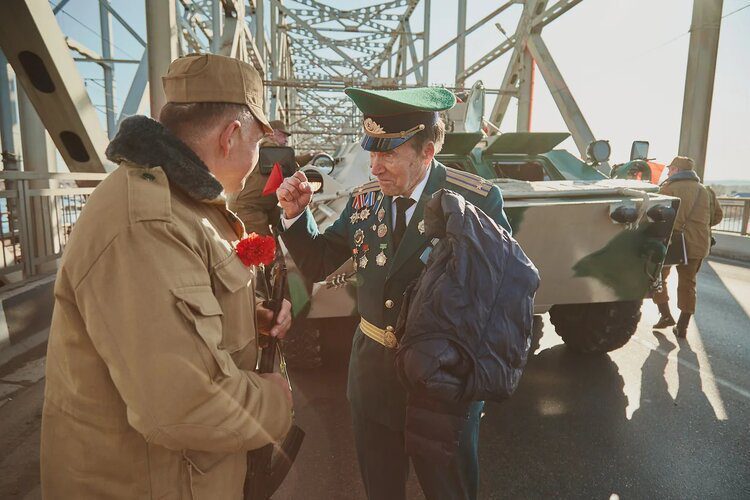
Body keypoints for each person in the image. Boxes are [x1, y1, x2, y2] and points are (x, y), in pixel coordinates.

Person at [40, 53, 294, 498]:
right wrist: (278, 401)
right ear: (231, 135)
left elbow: (177, 309)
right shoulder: (148, 222)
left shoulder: (181, 205)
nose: (259, 157)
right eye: (260, 141)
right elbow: (184, 404)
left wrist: (247, 317)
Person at [277, 87, 512, 500]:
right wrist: (297, 217)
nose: (376, 166)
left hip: (443, 383)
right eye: (372, 152)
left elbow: (501, 295)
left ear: (427, 151)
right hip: (372, 379)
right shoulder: (365, 201)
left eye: (388, 154)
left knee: (449, 490)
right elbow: (319, 263)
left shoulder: (475, 201)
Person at [653, 156, 723, 337]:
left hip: (670, 243)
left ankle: (665, 315)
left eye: (670, 169)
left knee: (658, 278)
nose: (668, 172)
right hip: (698, 244)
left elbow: (656, 216)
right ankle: (682, 326)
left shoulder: (667, 189)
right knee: (688, 283)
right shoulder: (706, 191)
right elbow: (717, 217)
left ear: (676, 170)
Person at [229, 120, 320, 235]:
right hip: (249, 207)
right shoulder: (268, 148)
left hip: (262, 205)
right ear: (271, 133)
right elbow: (288, 161)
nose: (286, 140)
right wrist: (310, 155)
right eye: (283, 135)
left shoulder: (269, 151)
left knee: (284, 224)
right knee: (262, 245)